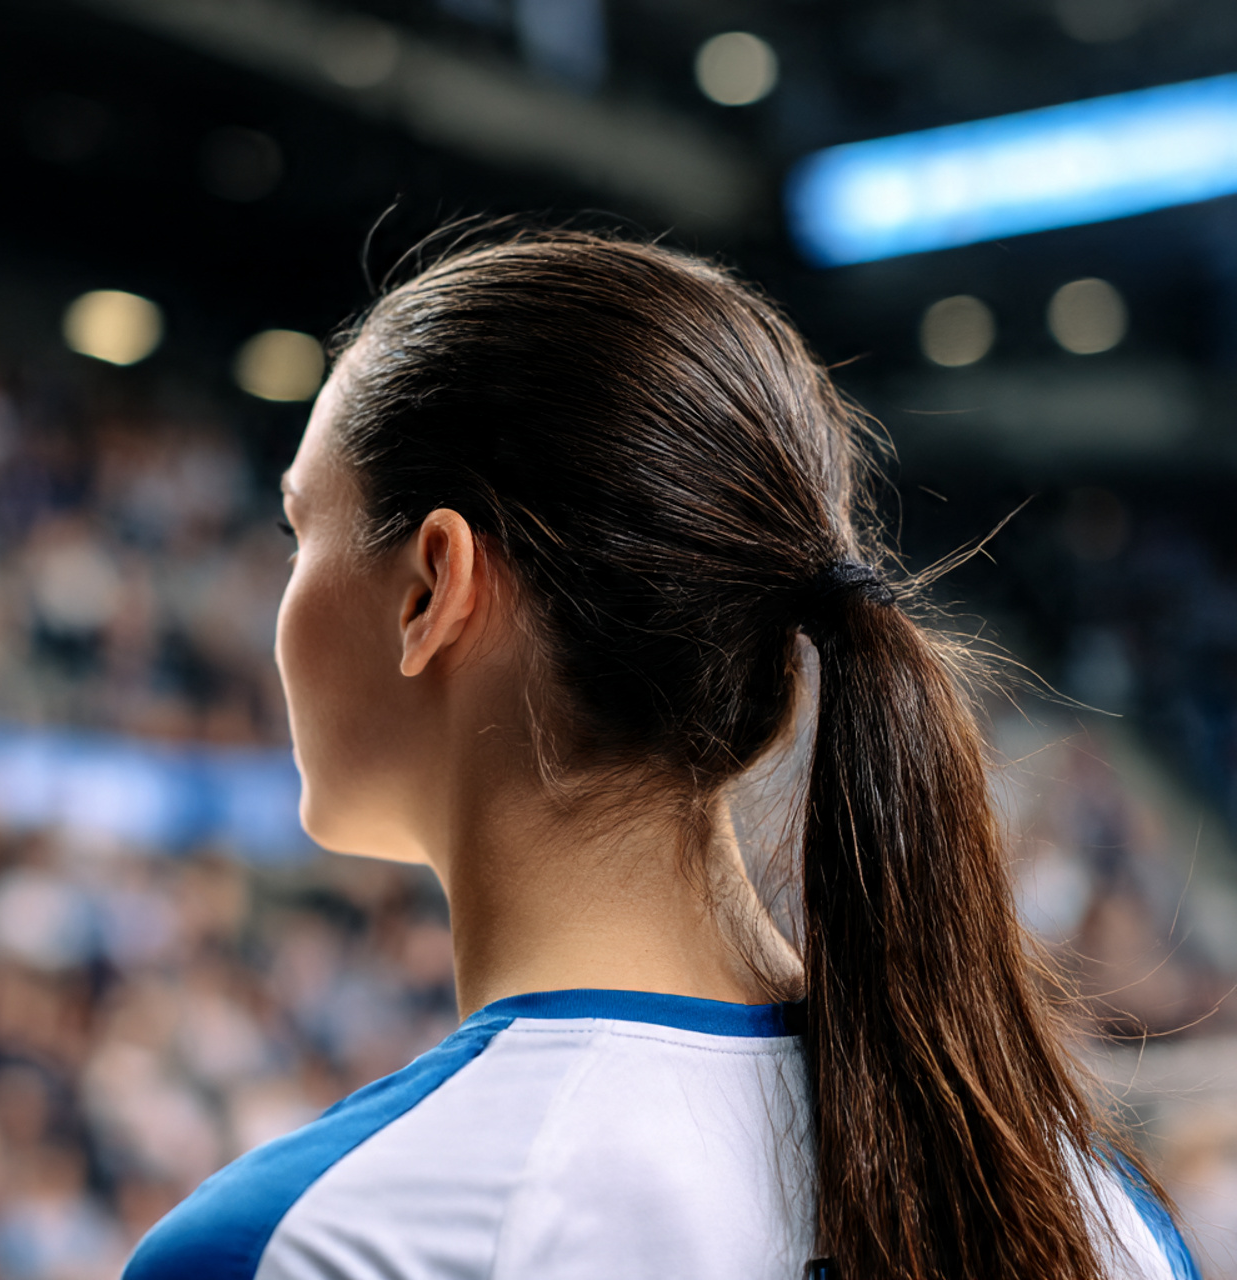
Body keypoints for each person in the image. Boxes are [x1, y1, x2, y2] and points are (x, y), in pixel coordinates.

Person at [123, 230, 1199, 1280]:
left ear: (429, 587)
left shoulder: (311, 1242)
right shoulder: (1092, 1213)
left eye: (297, 530)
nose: (282, 594)